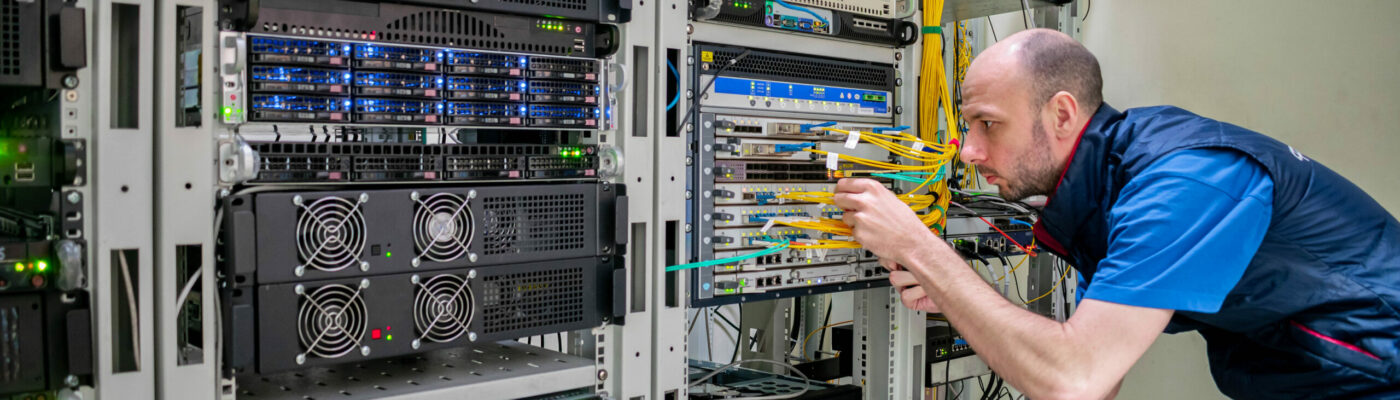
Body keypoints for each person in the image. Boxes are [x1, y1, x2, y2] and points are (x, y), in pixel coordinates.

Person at [832, 28, 1400, 399]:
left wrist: (920, 249)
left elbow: (1075, 381)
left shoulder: (1180, 183)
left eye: (988, 124)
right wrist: (956, 293)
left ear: (1061, 114)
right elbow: (1095, 380)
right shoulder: (1101, 192)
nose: (969, 151)